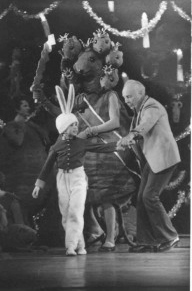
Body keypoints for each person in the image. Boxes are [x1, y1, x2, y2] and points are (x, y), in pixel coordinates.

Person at [32, 85, 118, 256]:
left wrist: (120, 145)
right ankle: (79, 244)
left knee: (76, 211)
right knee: (66, 214)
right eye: (73, 125)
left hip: (78, 178)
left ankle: (70, 246)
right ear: (64, 128)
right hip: (62, 179)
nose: (76, 128)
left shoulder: (81, 142)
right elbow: (48, 165)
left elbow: (101, 147)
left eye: (76, 125)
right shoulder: (56, 146)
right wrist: (38, 185)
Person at [117, 80, 181, 252]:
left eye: (129, 96)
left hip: (164, 158)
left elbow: (145, 124)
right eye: (125, 97)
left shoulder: (151, 107)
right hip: (153, 160)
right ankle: (147, 241)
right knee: (141, 199)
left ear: (140, 93)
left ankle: (170, 236)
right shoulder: (139, 110)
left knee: (149, 197)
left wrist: (131, 136)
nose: (127, 100)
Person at [1, 95, 52, 226]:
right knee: (22, 203)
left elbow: (46, 140)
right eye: (25, 106)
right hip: (22, 175)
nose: (28, 108)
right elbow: (18, 141)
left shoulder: (31, 125)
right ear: (17, 109)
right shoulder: (11, 126)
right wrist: (22, 123)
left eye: (28, 105)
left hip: (37, 171)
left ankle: (30, 234)